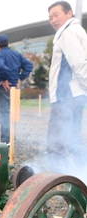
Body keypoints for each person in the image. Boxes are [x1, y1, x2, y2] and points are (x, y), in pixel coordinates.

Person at [47, 1, 87, 171]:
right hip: (75, 94)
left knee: (56, 142)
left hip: (66, 95)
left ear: (69, 13)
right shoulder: (76, 31)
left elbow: (79, 64)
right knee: (73, 138)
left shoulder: (68, 32)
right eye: (50, 17)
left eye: (56, 15)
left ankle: (59, 179)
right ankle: (80, 175)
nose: (53, 20)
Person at [0, 34, 33, 144]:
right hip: (15, 88)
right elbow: (29, 66)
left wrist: (4, 78)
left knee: (3, 113)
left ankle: (6, 140)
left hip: (4, 88)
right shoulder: (16, 54)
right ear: (8, 44)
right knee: (12, 113)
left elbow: (2, 67)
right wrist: (20, 77)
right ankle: (11, 137)